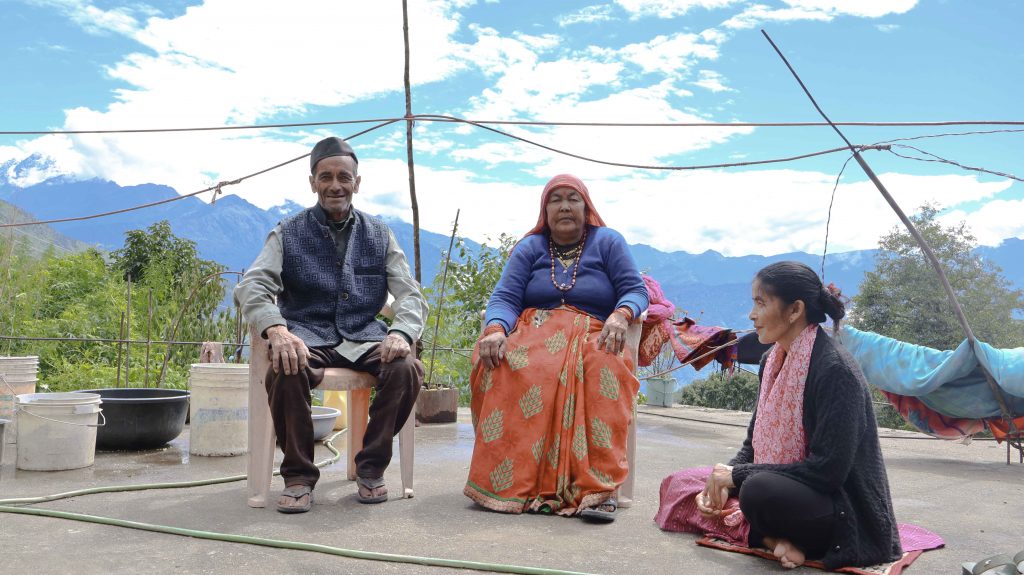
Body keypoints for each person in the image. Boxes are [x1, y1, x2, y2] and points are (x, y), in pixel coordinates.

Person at [655, 261, 902, 569]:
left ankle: (759, 529)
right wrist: (723, 479)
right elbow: (752, 446)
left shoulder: (834, 370)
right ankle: (775, 541)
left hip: (835, 507)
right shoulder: (772, 359)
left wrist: (737, 478)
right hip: (784, 489)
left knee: (759, 493)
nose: (751, 315)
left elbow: (828, 471)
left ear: (795, 310)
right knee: (681, 483)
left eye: (761, 303)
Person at [234, 137, 427, 513]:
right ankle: (299, 477)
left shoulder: (379, 233)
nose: (335, 185)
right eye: (326, 177)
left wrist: (402, 332)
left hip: (363, 335)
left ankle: (370, 467)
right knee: (286, 368)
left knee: (406, 369)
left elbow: (411, 295)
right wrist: (276, 329)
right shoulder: (287, 232)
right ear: (312, 182)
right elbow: (252, 287)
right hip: (305, 334)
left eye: (343, 177)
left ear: (357, 182)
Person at [464, 174, 649, 523]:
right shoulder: (530, 247)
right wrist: (494, 329)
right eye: (555, 199)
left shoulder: (608, 242)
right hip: (533, 334)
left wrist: (621, 316)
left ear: (586, 206)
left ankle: (597, 490)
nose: (564, 205)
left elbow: (636, 290)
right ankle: (508, 484)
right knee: (499, 361)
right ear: (545, 209)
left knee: (604, 368)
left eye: (572, 198)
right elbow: (505, 297)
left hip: (595, 334)